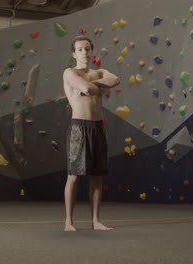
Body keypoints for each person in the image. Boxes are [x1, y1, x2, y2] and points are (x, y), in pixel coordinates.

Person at [63, 36, 120, 231]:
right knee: (74, 176)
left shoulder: (99, 71)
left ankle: (96, 222)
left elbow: (115, 79)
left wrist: (93, 86)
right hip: (79, 127)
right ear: (74, 53)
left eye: (87, 49)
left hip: (97, 127)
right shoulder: (70, 72)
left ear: (92, 51)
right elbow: (86, 88)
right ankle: (68, 222)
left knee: (97, 176)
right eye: (80, 49)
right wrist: (97, 86)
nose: (84, 52)